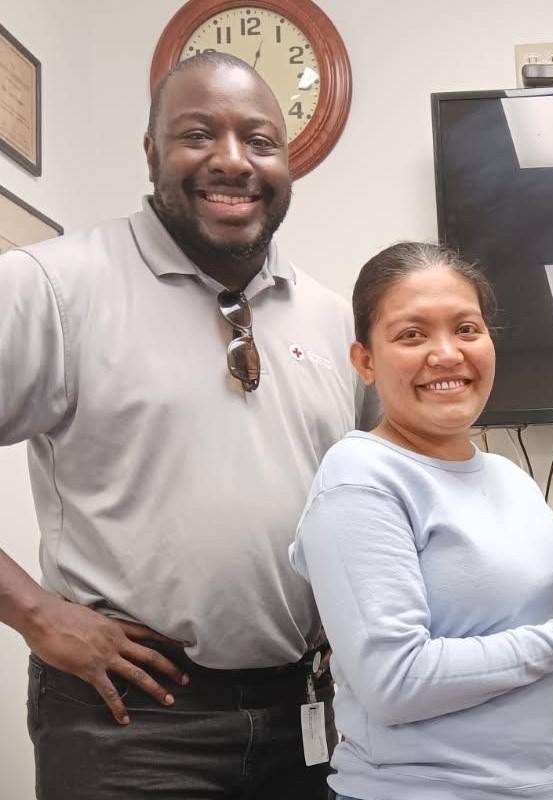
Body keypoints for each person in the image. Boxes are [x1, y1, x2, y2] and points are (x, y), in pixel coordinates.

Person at [0, 52, 370, 798]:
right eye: (199, 134)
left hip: (306, 712)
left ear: (286, 162)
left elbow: (381, 493)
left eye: (259, 141)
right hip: (134, 722)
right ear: (152, 153)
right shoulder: (52, 286)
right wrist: (36, 612)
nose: (232, 161)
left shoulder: (333, 318)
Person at [289, 242, 553, 800]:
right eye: (412, 335)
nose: (447, 354)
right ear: (364, 361)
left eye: (467, 329)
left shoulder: (508, 477)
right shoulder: (360, 477)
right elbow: (396, 684)